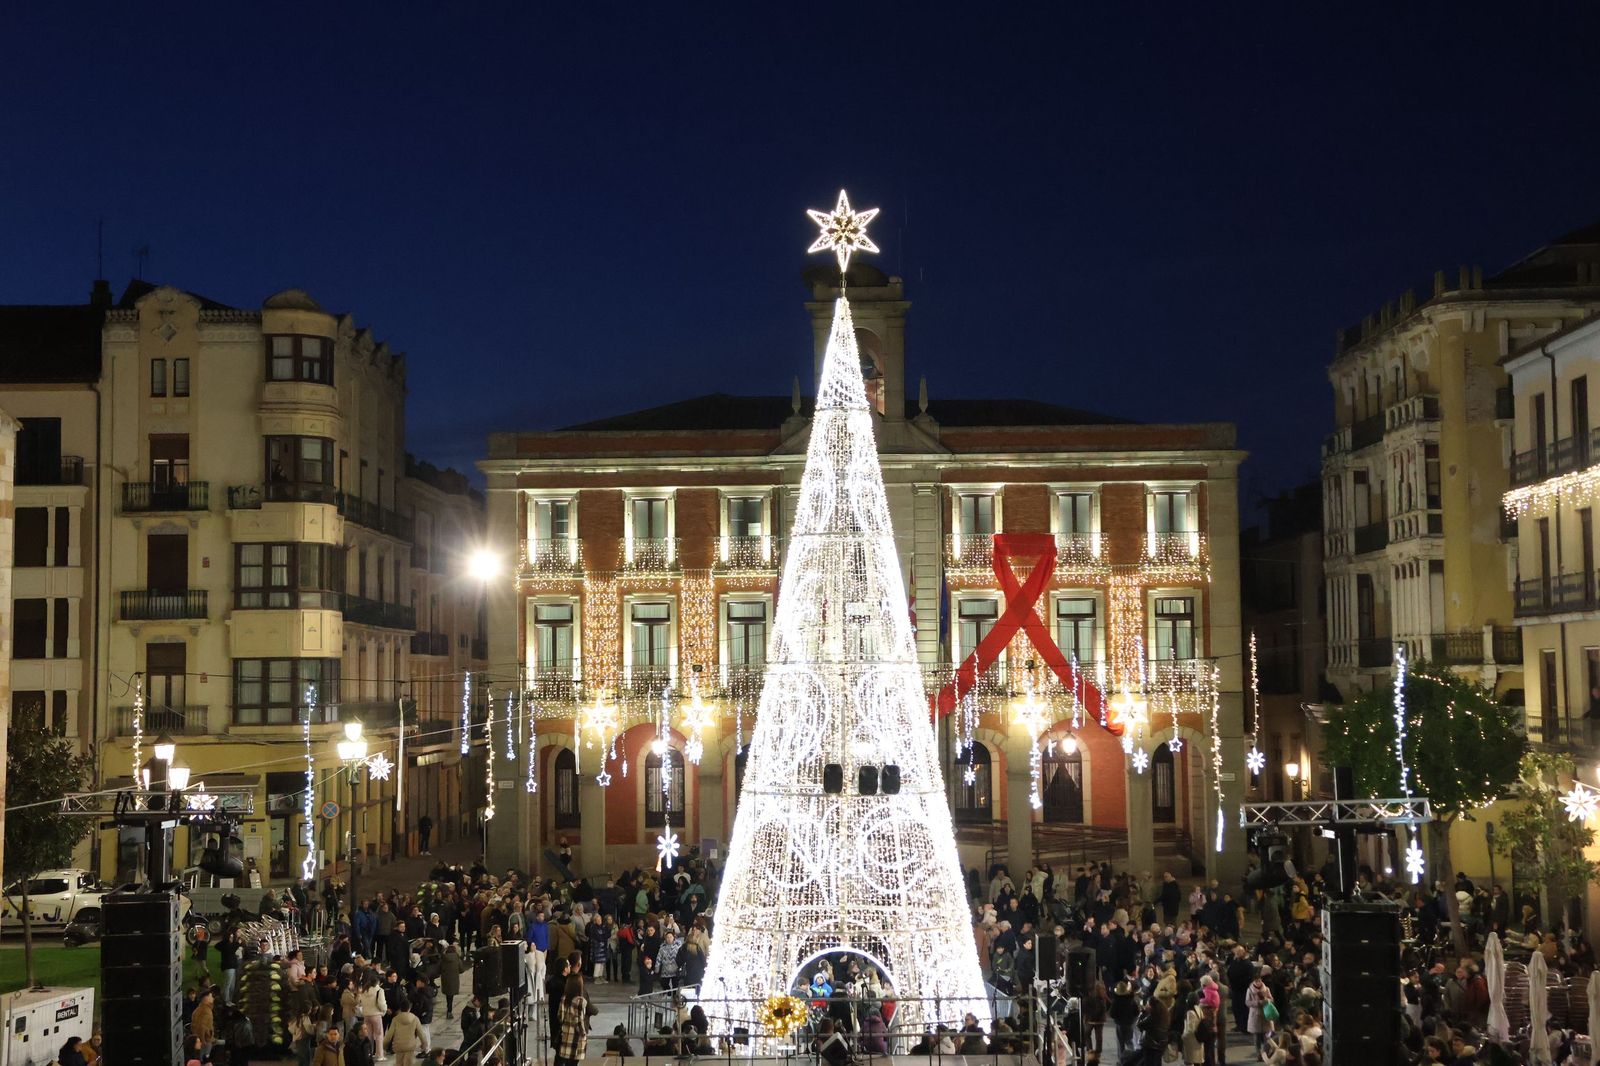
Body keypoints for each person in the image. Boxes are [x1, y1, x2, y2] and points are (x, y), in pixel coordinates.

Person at [556, 973, 592, 1066]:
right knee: (574, 1063)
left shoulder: (564, 999)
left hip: (566, 1035)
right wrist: (583, 1033)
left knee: (567, 1062)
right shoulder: (579, 1001)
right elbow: (579, 1021)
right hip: (576, 1039)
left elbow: (560, 1016)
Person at [385, 995, 426, 1066]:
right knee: (408, 1063)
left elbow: (389, 1035)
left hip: (398, 1045)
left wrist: (384, 1046)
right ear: (409, 1008)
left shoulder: (395, 1019)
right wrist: (424, 1044)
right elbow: (421, 1033)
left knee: (399, 1063)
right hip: (410, 1045)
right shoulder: (415, 1019)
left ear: (400, 1008)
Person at [438, 941, 465, 1018]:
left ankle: (449, 1009)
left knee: (448, 995)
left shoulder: (443, 959)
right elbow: (461, 969)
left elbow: (439, 969)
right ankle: (449, 1010)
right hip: (454, 980)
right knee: (451, 996)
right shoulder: (457, 958)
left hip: (445, 980)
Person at [190, 988, 216, 1058]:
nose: (213, 998)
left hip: (202, 1040)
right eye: (210, 996)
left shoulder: (200, 1009)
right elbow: (201, 1026)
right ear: (205, 998)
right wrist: (203, 1041)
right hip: (205, 1041)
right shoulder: (205, 1011)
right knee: (204, 1059)